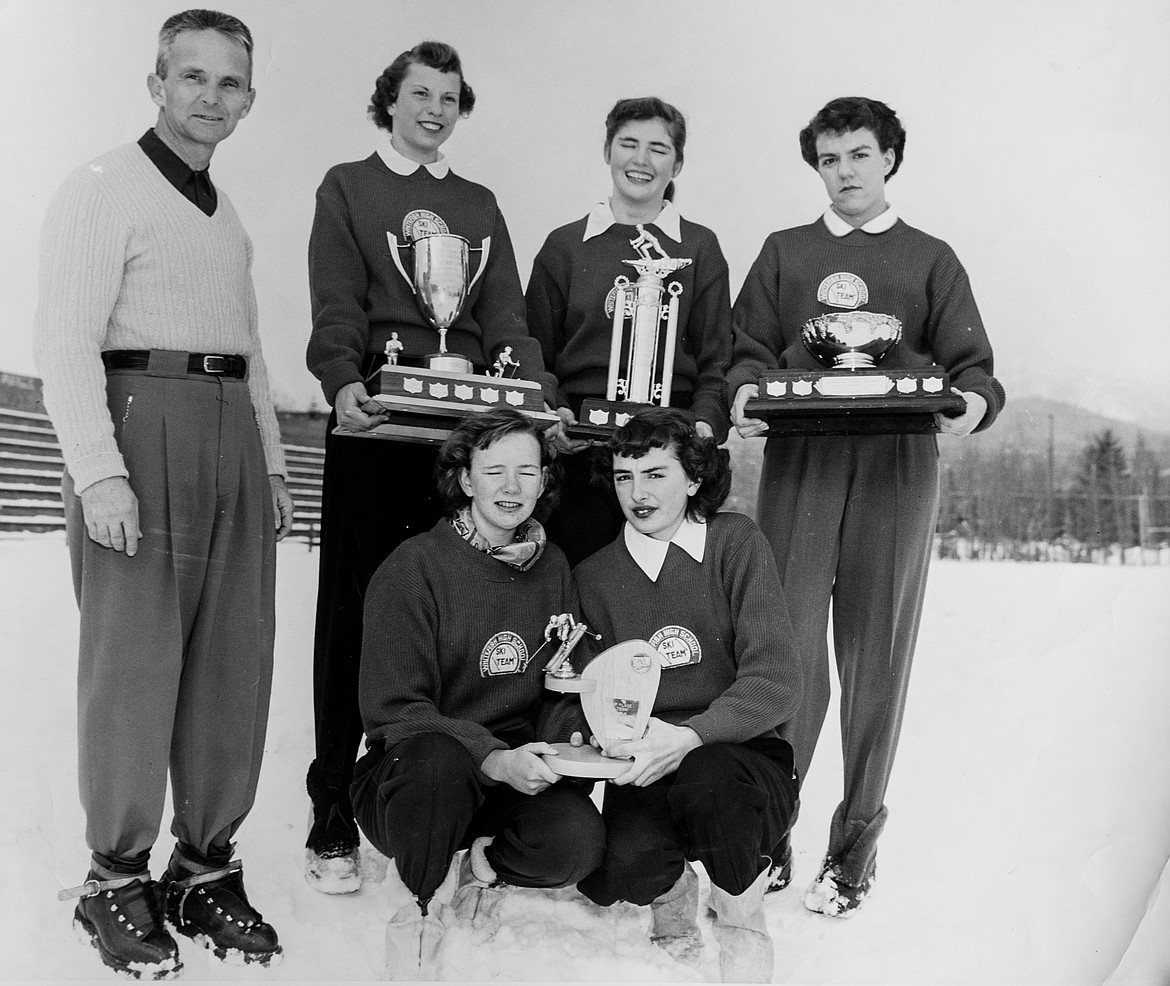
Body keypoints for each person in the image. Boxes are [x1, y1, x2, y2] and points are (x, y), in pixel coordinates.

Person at [33, 9, 293, 977]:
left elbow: (255, 353)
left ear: (250, 99)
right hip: (139, 424)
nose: (211, 98)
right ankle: (115, 878)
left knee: (234, 664)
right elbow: (63, 344)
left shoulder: (226, 217)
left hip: (228, 434)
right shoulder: (102, 189)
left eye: (231, 84)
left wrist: (268, 461)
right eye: (193, 78)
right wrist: (99, 470)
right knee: (134, 668)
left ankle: (202, 865)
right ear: (157, 82)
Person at [728, 96, 1006, 916]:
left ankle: (853, 851)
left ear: (889, 158)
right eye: (828, 159)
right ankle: (770, 831)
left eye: (858, 154)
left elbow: (975, 369)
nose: (843, 172)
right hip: (802, 459)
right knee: (785, 655)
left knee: (876, 661)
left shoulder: (930, 258)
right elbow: (744, 351)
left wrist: (972, 406)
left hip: (897, 465)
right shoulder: (785, 252)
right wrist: (743, 391)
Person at [303, 41, 557, 893]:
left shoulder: (478, 204)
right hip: (378, 430)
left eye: (449, 96)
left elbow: (507, 316)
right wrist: (342, 382)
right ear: (391, 101)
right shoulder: (347, 185)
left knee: (465, 618)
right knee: (352, 618)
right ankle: (334, 812)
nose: (435, 109)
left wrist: (532, 391)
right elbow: (336, 304)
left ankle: (449, 801)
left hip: (462, 443)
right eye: (419, 93)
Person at [351, 408, 605, 980]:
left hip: (509, 771)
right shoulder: (414, 567)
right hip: (415, 775)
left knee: (576, 843)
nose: (511, 488)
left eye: (527, 471)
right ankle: (421, 914)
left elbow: (562, 679)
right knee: (438, 765)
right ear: (465, 480)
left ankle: (481, 866)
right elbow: (396, 710)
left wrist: (553, 751)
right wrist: (490, 755)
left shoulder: (554, 566)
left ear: (544, 480)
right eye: (494, 471)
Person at [572, 408, 801, 982]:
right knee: (625, 866)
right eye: (625, 477)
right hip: (647, 758)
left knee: (711, 783)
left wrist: (692, 734)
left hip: (737, 755)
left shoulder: (735, 542)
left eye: (655, 474)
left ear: (694, 479)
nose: (637, 493)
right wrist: (606, 738)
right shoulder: (596, 576)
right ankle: (673, 896)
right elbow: (591, 687)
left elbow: (774, 680)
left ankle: (743, 921)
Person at [526, 97, 732, 566]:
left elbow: (716, 360)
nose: (641, 160)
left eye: (658, 149)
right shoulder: (563, 247)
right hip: (578, 446)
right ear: (607, 151)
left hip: (668, 448)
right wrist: (550, 411)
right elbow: (535, 350)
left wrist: (702, 425)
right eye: (629, 144)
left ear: (677, 162)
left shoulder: (699, 248)